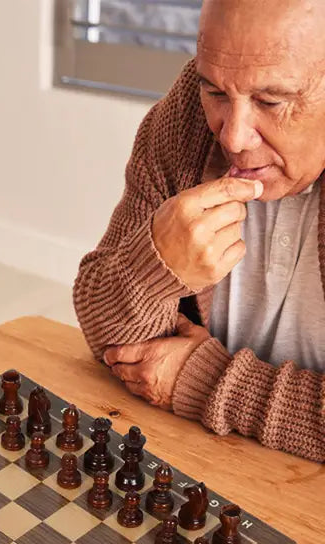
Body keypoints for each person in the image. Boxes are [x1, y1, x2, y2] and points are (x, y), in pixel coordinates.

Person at [73, 0, 325, 463]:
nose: (232, 137)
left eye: (271, 101)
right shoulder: (186, 115)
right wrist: (156, 266)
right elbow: (111, 340)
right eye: (217, 94)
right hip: (196, 458)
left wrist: (203, 380)